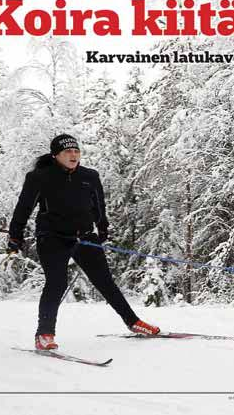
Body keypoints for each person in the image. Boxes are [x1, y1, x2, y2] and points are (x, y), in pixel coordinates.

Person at [8, 134, 160, 350]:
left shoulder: (89, 176)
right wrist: (15, 236)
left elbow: (99, 205)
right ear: (56, 155)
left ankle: (134, 322)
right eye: (67, 151)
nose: (73, 155)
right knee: (57, 282)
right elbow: (23, 208)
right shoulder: (39, 177)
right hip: (53, 238)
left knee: (105, 281)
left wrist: (103, 227)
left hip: (85, 237)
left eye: (76, 151)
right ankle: (44, 334)